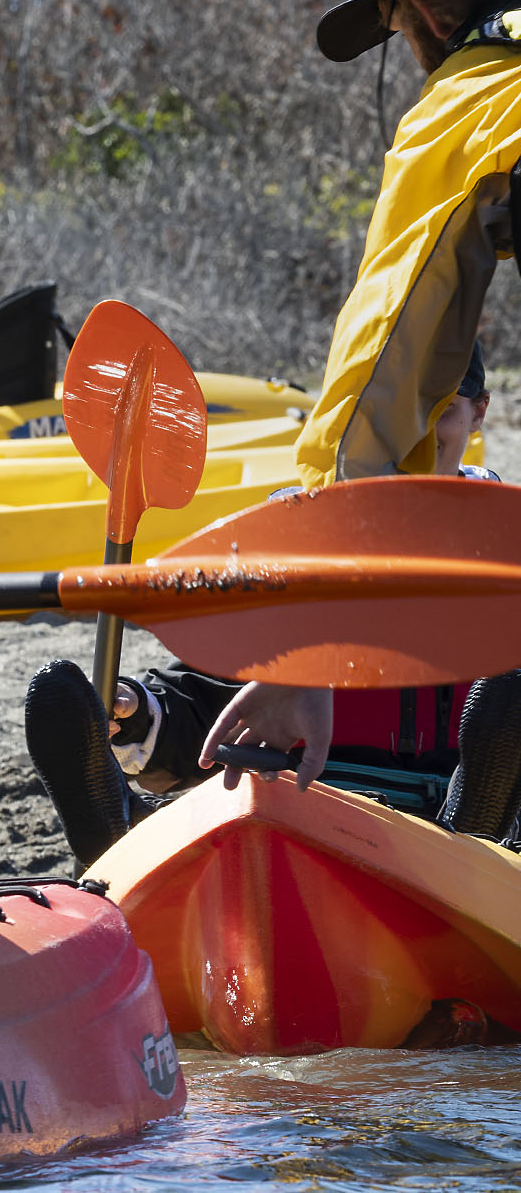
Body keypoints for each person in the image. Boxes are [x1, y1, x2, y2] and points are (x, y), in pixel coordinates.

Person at [177, 0, 521, 788]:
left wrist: (309, 644)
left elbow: (379, 367)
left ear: (430, 12)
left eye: (395, 22)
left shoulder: (481, 91)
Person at [27, 349, 521, 866]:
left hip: (470, 821)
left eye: (440, 410)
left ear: (479, 412)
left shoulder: (507, 540)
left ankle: (476, 830)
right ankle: (116, 832)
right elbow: (221, 686)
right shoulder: (294, 536)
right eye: (391, 415)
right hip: (308, 811)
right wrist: (138, 711)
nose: (414, 435)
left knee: (508, 703)